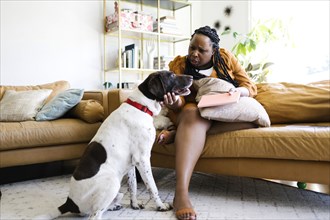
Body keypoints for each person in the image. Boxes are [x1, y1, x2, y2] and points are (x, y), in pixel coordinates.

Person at [156, 26, 257, 220]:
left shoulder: (226, 58)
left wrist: (237, 93)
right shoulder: (178, 65)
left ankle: (180, 134)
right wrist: (174, 101)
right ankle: (181, 194)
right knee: (193, 114)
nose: (194, 54)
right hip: (191, 112)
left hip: (220, 110)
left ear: (214, 51)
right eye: (192, 47)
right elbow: (180, 103)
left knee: (253, 122)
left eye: (202, 50)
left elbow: (249, 86)